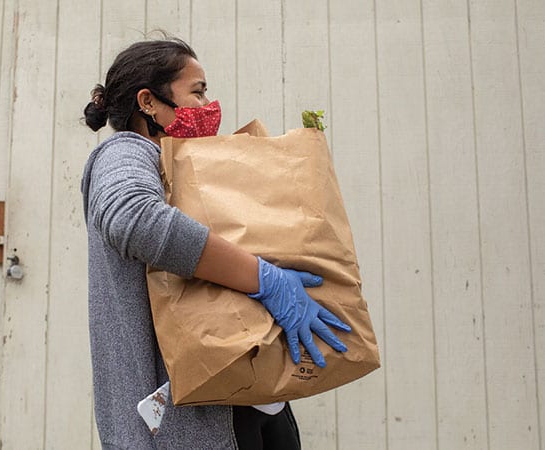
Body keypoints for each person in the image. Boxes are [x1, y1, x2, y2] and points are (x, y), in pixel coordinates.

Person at [81, 37, 351, 450]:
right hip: (183, 426)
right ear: (148, 102)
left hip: (253, 403)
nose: (209, 104)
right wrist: (264, 278)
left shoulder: (188, 167)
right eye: (198, 91)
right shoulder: (125, 153)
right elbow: (132, 217)